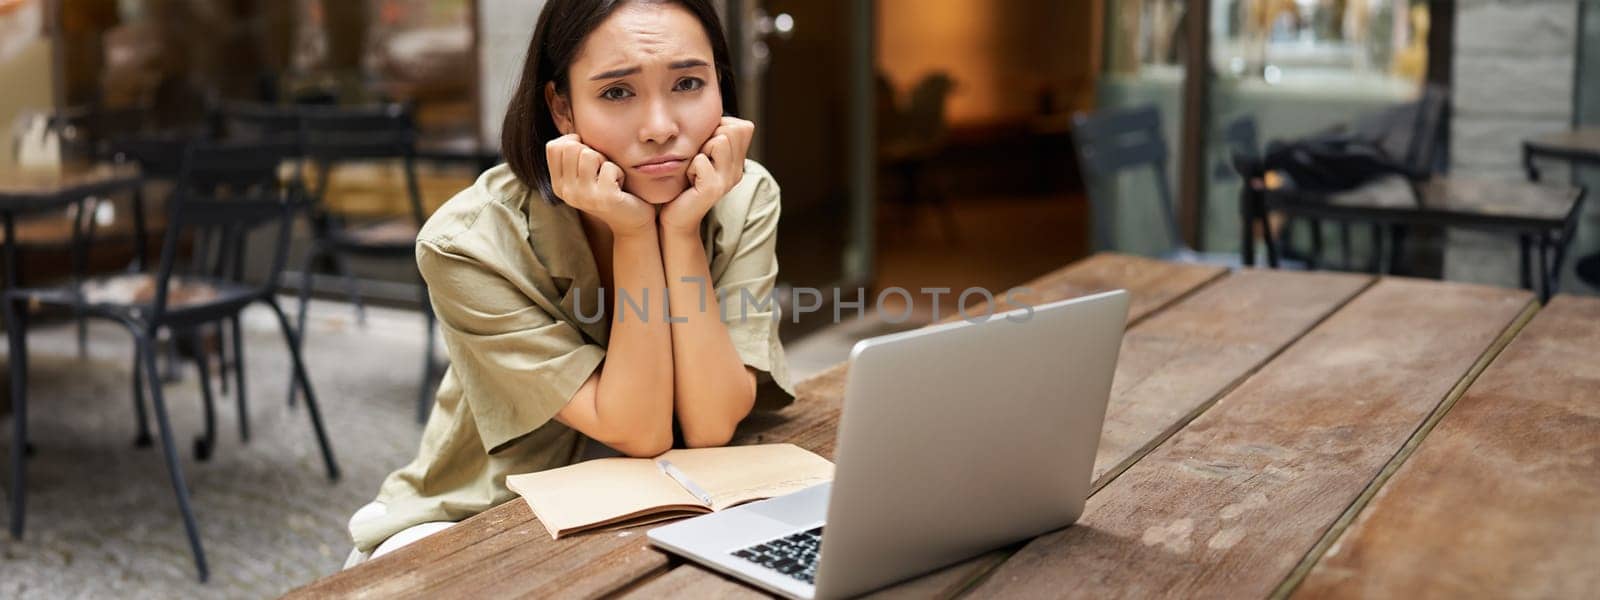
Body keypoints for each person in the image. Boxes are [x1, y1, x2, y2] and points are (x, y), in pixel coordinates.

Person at [343, 0, 795, 567]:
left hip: (668, 500)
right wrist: (634, 234)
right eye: (617, 92)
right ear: (561, 108)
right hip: (488, 514)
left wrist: (679, 233)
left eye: (687, 83)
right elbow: (637, 428)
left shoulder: (744, 193)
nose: (661, 128)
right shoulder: (469, 242)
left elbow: (711, 422)